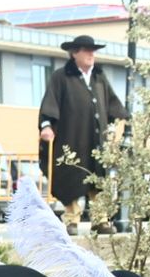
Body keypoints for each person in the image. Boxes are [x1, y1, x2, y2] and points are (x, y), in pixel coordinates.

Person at [38, 35, 127, 233]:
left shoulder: (99, 77)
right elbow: (49, 104)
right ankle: (71, 219)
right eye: (86, 51)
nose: (91, 55)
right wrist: (46, 126)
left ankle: (100, 219)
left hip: (96, 139)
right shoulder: (61, 76)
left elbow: (112, 103)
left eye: (92, 51)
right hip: (72, 138)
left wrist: (119, 119)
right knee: (71, 178)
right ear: (74, 53)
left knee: (98, 179)